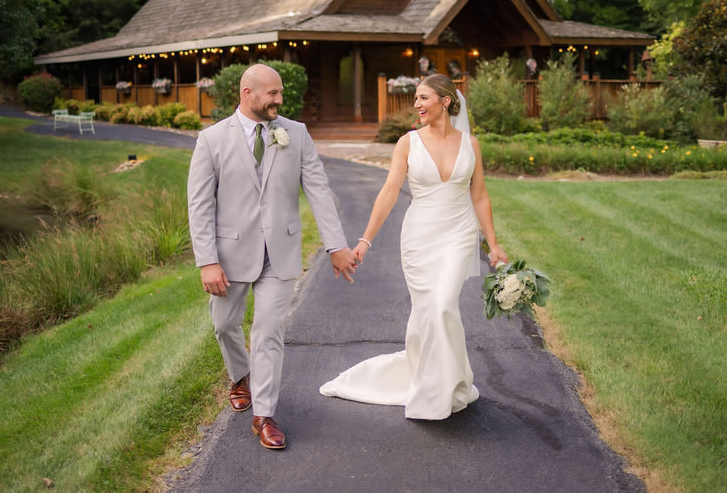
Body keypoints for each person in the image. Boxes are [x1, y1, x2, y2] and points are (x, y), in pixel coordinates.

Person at [187, 64, 359, 449]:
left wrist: (335, 245)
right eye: (272, 94)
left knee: (268, 333)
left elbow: (318, 189)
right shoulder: (211, 140)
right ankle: (239, 376)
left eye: (280, 93)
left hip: (280, 252)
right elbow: (198, 206)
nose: (279, 100)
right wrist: (207, 261)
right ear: (247, 92)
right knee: (225, 325)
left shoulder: (295, 133)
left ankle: (263, 415)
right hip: (229, 254)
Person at [319, 73, 508, 420]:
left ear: (446, 101)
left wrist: (493, 244)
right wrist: (365, 240)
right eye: (416, 99)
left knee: (441, 305)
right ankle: (445, 379)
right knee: (428, 312)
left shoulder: (471, 144)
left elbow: (479, 195)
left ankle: (441, 389)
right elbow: (389, 192)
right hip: (419, 238)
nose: (417, 104)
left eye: (423, 98)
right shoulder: (408, 142)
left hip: (459, 234)